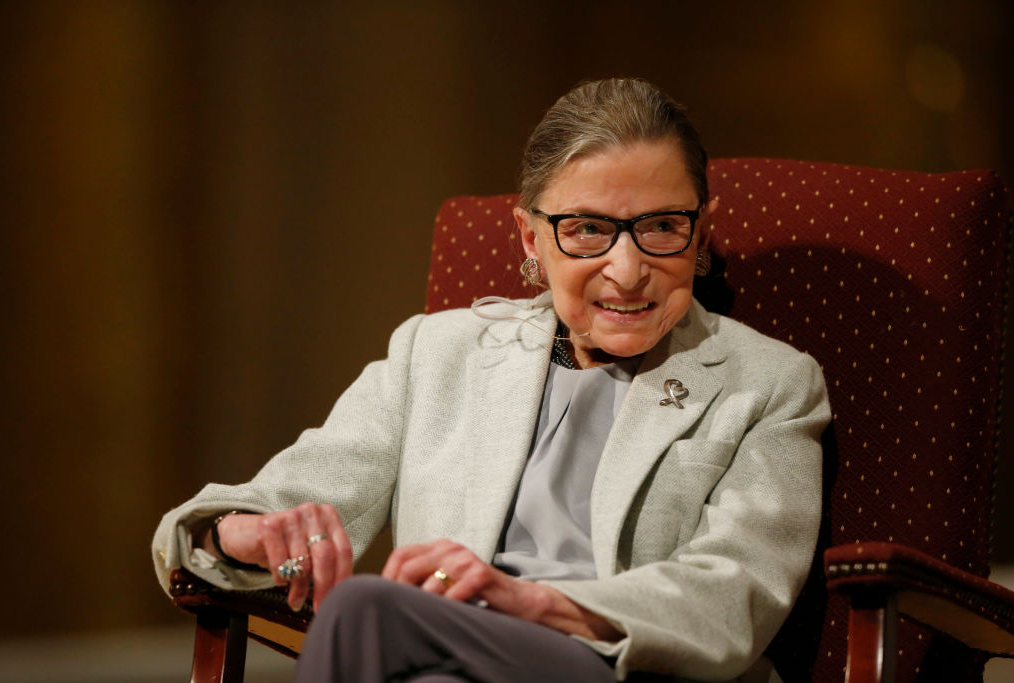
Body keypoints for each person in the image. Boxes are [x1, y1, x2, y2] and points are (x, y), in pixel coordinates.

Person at [152, 77, 830, 682]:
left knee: (363, 608)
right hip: (438, 655)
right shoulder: (438, 353)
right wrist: (239, 533)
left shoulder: (769, 383)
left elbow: (734, 598)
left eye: (660, 227)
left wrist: (529, 601)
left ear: (702, 233)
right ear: (532, 240)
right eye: (588, 230)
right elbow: (251, 511)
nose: (627, 269)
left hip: (617, 661)